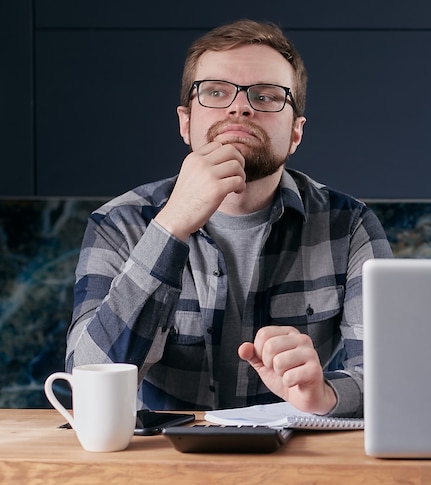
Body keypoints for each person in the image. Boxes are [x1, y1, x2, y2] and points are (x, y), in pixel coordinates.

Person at [66, 19, 392, 417]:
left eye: (267, 96)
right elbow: (83, 386)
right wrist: (170, 226)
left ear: (295, 133)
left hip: (295, 463)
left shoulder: (350, 226)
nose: (240, 106)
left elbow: (391, 378)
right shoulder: (119, 223)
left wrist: (324, 394)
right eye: (216, 92)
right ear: (185, 122)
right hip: (159, 463)